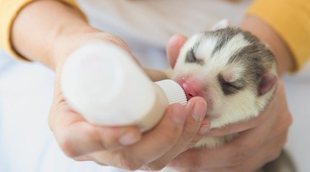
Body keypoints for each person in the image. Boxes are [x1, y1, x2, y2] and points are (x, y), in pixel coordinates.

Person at [0, 0, 309, 171]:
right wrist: (63, 42)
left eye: (228, 84)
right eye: (195, 59)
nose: (193, 83)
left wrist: (273, 46)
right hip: (74, 22)